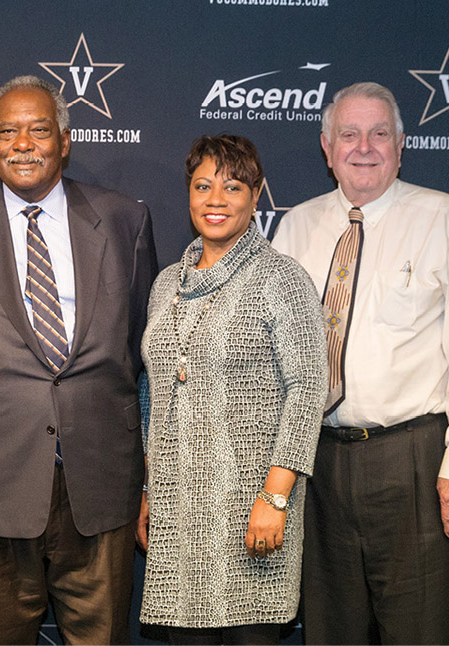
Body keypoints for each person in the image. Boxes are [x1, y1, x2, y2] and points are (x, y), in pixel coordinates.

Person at [0, 75, 157, 644]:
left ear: (65, 140)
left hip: (99, 477)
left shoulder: (124, 221)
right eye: (8, 131)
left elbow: (137, 338)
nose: (24, 144)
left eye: (39, 130)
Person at [271, 81, 449, 645]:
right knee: (331, 631)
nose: (364, 146)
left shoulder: (443, 219)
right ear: (326, 148)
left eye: (380, 133)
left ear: (402, 144)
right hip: (316, 463)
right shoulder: (295, 226)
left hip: (415, 464)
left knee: (421, 633)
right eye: (348, 133)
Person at [136, 135, 325, 645]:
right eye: (202, 186)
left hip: (253, 515)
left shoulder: (282, 279)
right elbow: (153, 395)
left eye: (232, 186)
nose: (215, 199)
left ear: (256, 195)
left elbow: (307, 390)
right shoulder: (166, 284)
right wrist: (152, 491)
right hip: (179, 519)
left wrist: (276, 498)